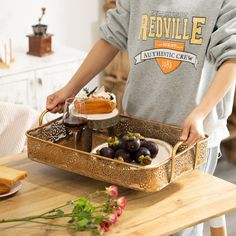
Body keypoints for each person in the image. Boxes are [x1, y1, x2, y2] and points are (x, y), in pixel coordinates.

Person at [46, 0, 236, 235]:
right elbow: (110, 38)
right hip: (139, 129)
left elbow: (232, 57)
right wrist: (71, 89)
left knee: (179, 226)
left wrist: (201, 112)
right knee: (140, 222)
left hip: (192, 136)